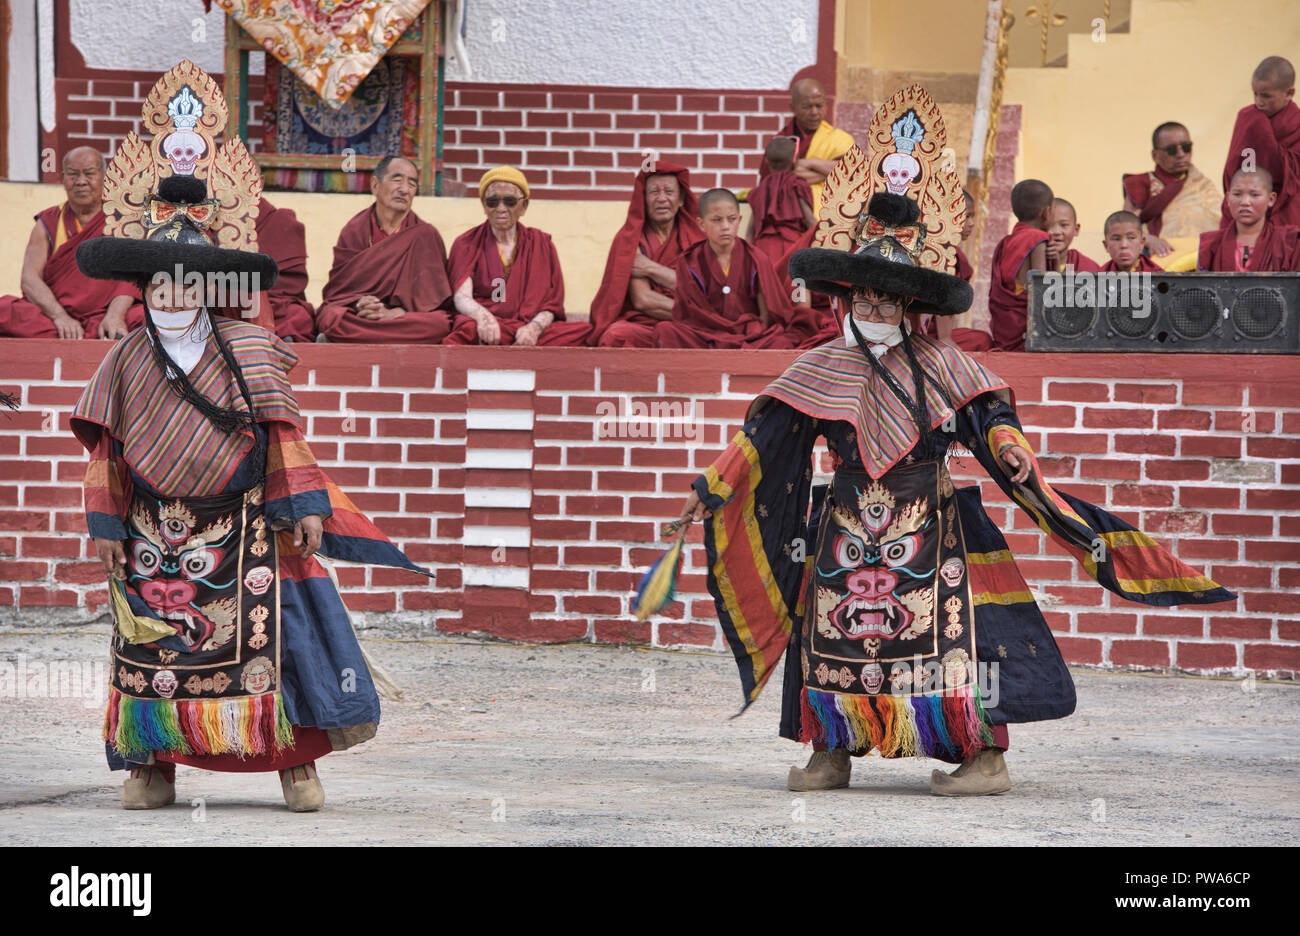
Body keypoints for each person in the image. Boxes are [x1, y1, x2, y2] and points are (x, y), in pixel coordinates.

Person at [661, 189, 1233, 796]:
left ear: (908, 306)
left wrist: (1010, 445)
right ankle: (830, 753)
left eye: (888, 298)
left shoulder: (945, 363)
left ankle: (985, 759)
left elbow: (988, 416)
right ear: (844, 299)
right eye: (865, 296)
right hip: (844, 525)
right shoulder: (817, 367)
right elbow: (764, 437)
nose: (875, 306)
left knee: (968, 640)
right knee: (827, 635)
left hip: (934, 524)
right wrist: (712, 486)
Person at [70, 63, 428, 812]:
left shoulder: (253, 348)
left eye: (186, 282)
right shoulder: (125, 357)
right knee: (151, 652)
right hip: (148, 529)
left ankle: (295, 765)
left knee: (283, 641)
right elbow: (106, 450)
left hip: (243, 522)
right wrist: (103, 524)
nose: (172, 294)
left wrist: (300, 510)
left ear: (207, 285)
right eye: (159, 283)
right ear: (143, 287)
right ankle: (153, 766)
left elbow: (283, 436)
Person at [0, 147, 141, 339]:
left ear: (105, 177)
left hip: (104, 317)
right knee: (5, 310)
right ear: (63, 179)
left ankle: (102, 330)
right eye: (73, 175)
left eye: (89, 174)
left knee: (147, 316)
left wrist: (115, 315)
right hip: (55, 320)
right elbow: (29, 279)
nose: (81, 182)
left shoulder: (122, 220)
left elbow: (131, 279)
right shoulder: (48, 222)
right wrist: (60, 317)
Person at [444, 166, 590, 346]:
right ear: (483, 204)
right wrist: (485, 319)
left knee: (586, 333)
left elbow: (552, 305)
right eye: (492, 201)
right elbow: (461, 297)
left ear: (524, 206)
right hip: (489, 326)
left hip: (530, 327)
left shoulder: (541, 244)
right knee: (467, 330)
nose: (501, 208)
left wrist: (534, 328)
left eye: (510, 201)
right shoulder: (466, 243)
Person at [315, 156, 453, 343]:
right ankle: (374, 332)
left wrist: (397, 313)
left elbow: (432, 300)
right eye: (397, 180)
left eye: (412, 184)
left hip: (402, 317)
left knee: (440, 323)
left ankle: (360, 336)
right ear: (375, 185)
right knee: (331, 317)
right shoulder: (355, 230)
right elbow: (339, 291)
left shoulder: (425, 235)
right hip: (362, 314)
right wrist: (360, 303)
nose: (404, 189)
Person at [653, 189, 802, 349]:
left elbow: (766, 314)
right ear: (701, 224)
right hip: (705, 334)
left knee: (781, 341)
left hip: (749, 335)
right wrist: (721, 334)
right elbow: (688, 315)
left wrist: (755, 334)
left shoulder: (757, 258)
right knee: (666, 330)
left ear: (739, 220)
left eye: (731, 219)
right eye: (716, 220)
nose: (725, 227)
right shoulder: (689, 261)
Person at [588, 162, 705, 348]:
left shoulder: (696, 238)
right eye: (653, 192)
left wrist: (649, 268)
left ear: (681, 198)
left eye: (669, 191)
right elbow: (644, 300)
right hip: (647, 324)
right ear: (643, 198)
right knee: (616, 336)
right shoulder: (631, 240)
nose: (661, 198)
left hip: (689, 325)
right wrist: (695, 311)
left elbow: (705, 289)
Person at [1121, 122, 1222, 257]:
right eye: (1171, 150)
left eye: (1186, 147)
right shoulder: (1141, 183)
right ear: (1155, 155)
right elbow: (1125, 228)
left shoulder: (1202, 184)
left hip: (1205, 256)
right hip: (1164, 256)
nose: (1181, 154)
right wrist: (1149, 240)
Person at [1221, 56, 1299, 228]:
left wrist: (1261, 130)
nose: (1258, 102)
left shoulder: (1297, 125)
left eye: (1266, 96)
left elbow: (1292, 175)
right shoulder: (1247, 117)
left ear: (1289, 93)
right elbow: (1232, 166)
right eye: (1255, 94)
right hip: (1243, 210)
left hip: (1286, 214)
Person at [763, 78, 856, 209]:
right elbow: (774, 180)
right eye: (807, 106)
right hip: (790, 215)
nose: (814, 112)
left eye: (819, 105)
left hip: (831, 215)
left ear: (826, 105)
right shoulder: (781, 142)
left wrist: (809, 163)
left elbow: (852, 174)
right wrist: (831, 172)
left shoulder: (840, 138)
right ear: (793, 108)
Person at [987, 179, 1051, 351]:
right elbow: (1040, 287)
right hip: (1026, 322)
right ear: (1046, 212)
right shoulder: (1037, 238)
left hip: (1006, 321)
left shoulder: (1006, 241)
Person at [1198, 168, 1300, 271]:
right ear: (1228, 198)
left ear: (1271, 199)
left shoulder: (1290, 242)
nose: (1245, 202)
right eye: (1237, 194)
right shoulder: (1210, 244)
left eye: (1254, 195)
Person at [254, 196, 316, 342]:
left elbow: (291, 283)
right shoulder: (203, 215)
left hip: (273, 302)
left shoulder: (280, 221)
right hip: (221, 300)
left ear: (259, 182)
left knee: (297, 316)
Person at [746, 136, 815, 262]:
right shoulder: (796, 185)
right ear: (795, 161)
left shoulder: (760, 189)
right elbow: (810, 220)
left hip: (762, 248)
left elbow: (751, 229)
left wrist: (746, 256)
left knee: (766, 281)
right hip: (791, 246)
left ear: (766, 162)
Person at [1046, 198, 1101, 273]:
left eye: (1064, 225)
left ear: (1076, 229)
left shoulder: (1088, 267)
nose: (1056, 232)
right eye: (1048, 225)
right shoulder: (1033, 261)